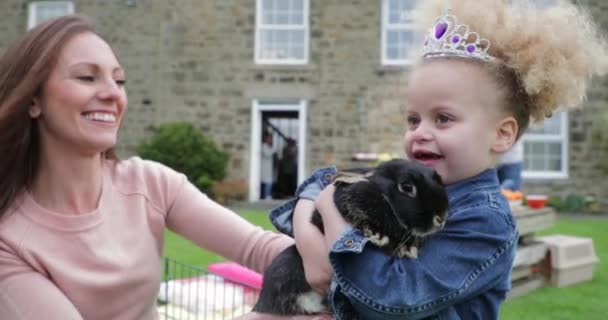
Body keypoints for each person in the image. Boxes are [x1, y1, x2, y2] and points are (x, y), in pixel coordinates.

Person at [268, 0, 608, 319]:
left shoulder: (486, 221)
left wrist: (330, 217)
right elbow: (326, 182)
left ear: (501, 134)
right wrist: (310, 223)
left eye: (443, 118)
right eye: (413, 119)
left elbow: (393, 297)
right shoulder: (411, 181)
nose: (420, 132)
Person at [0, 15, 327, 320]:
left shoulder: (150, 183)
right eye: (87, 77)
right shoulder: (9, 242)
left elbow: (259, 247)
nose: (113, 93)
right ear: (33, 100)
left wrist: (341, 262)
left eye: (120, 80)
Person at [260, 131, 275, 200]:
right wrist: (273, 150)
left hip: (268, 167)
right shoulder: (263, 146)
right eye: (269, 138)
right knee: (267, 182)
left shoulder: (269, 147)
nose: (271, 140)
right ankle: (267, 195)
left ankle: (267, 195)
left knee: (268, 182)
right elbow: (267, 154)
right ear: (266, 139)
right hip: (264, 167)